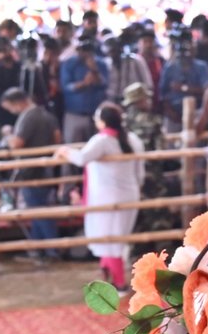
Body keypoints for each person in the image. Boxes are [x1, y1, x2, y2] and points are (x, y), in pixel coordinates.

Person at [56, 102, 145, 289]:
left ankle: (119, 284)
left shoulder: (102, 141)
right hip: (130, 194)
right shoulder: (134, 139)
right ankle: (107, 276)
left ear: (103, 122)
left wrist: (65, 151)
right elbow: (140, 173)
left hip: (107, 198)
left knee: (109, 239)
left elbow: (81, 158)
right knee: (117, 237)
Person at [0, 87, 63, 261]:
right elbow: (58, 138)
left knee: (39, 211)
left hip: (30, 170)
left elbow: (17, 144)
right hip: (46, 169)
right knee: (38, 210)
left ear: (17, 103)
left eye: (10, 108)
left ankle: (52, 249)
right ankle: (38, 247)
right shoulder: (47, 115)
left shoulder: (28, 117)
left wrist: (7, 134)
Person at [58, 39, 109, 143]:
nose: (85, 54)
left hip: (96, 114)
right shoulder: (69, 63)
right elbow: (66, 87)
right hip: (75, 114)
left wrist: (95, 70)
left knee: (97, 146)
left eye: (88, 51)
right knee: (73, 145)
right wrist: (84, 83)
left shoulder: (100, 63)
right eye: (82, 51)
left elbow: (105, 84)